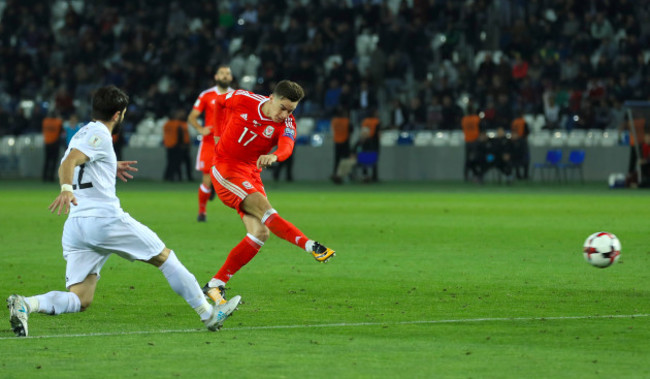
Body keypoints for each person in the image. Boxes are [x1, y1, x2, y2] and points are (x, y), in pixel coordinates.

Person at [6, 86, 240, 337]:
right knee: (164, 258)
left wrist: (108, 165)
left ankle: (26, 304)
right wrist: (65, 188)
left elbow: (82, 161)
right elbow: (69, 161)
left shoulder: (83, 132)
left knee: (81, 298)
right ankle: (209, 314)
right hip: (104, 220)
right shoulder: (99, 134)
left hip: (76, 227)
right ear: (117, 115)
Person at [202, 80, 335, 305]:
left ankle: (215, 285)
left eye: (290, 110)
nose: (285, 114)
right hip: (226, 169)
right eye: (282, 108)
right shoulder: (245, 99)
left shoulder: (287, 123)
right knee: (267, 213)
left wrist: (275, 155)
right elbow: (218, 102)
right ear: (271, 98)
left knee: (260, 233)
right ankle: (311, 246)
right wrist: (217, 136)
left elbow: (287, 146)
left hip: (250, 173)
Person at [187, 65, 234, 222]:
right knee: (206, 178)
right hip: (209, 143)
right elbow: (192, 116)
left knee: (233, 177)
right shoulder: (206, 95)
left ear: (231, 78)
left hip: (229, 143)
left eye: (227, 74)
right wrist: (201, 129)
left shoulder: (236, 96)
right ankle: (202, 212)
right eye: (222, 73)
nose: (225, 76)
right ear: (216, 77)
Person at [42, 111, 63, 182]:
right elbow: (61, 131)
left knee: (47, 161)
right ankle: (51, 177)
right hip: (55, 143)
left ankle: (44, 177)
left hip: (47, 143)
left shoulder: (45, 121)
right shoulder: (58, 122)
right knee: (54, 161)